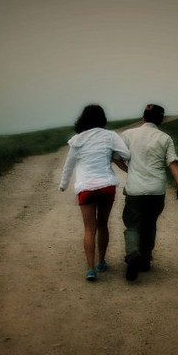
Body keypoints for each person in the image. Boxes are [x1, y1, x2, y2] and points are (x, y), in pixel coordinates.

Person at [59, 104, 130, 281]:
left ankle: (90, 269)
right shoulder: (110, 135)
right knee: (102, 225)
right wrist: (112, 154)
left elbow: (68, 166)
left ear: (83, 119)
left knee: (89, 229)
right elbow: (126, 154)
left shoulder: (77, 140)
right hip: (107, 186)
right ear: (102, 119)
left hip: (86, 188)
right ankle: (102, 262)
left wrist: (63, 185)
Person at [118, 104, 178, 281]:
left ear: (143, 117)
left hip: (135, 190)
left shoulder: (128, 135)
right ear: (161, 120)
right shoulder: (165, 138)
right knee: (150, 224)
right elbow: (172, 163)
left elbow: (115, 157)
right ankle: (145, 259)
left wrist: (128, 170)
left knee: (133, 224)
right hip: (157, 190)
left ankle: (133, 254)